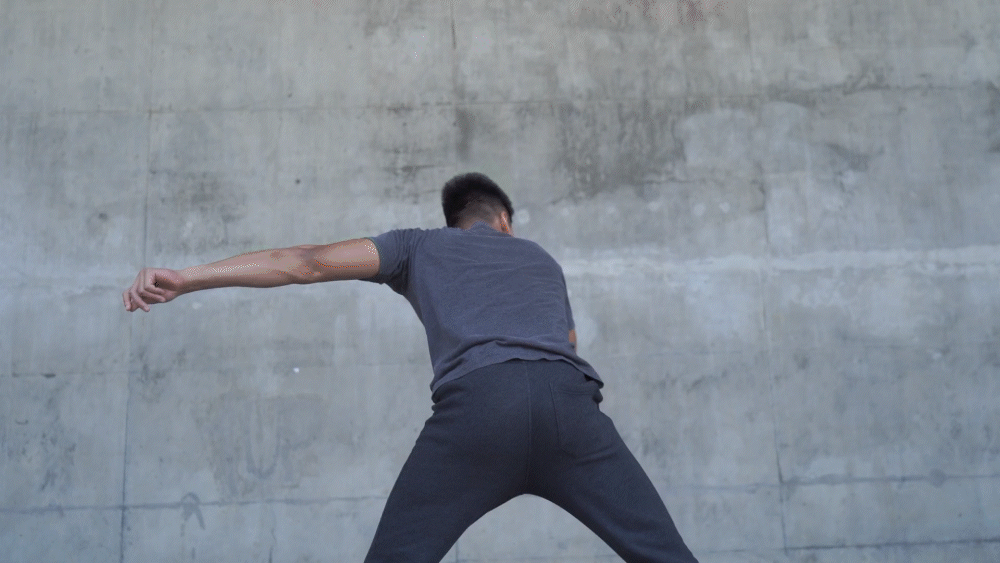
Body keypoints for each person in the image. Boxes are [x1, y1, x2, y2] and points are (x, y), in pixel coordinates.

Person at [123, 172, 699, 563]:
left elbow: (306, 263)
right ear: (505, 220)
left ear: (455, 222)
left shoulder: (419, 247)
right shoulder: (540, 259)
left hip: (478, 411)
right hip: (568, 408)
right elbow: (566, 342)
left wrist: (189, 278)